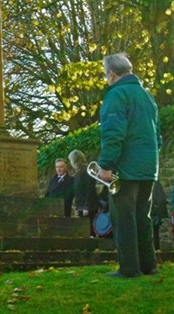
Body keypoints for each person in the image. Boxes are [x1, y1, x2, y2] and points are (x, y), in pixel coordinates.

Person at [97, 52, 161, 278]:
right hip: (148, 167)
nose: (106, 79)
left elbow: (113, 133)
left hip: (126, 168)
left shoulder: (116, 95)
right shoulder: (147, 96)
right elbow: (158, 136)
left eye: (106, 75)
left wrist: (106, 165)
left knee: (123, 218)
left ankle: (129, 269)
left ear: (112, 74)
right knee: (143, 217)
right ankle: (148, 265)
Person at [68, 150, 100, 237]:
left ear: (75, 160)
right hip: (82, 206)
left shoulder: (86, 170)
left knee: (91, 231)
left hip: (89, 207)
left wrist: (87, 206)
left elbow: (90, 189)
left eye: (71, 161)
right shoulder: (79, 172)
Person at [150, 181, 168, 250]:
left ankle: (156, 247)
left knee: (155, 230)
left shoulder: (156, 184)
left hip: (155, 212)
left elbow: (159, 199)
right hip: (153, 211)